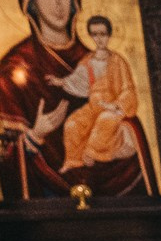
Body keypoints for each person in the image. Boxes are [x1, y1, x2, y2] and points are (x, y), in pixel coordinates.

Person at [0, 0, 154, 199]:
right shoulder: (15, 67)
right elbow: (4, 154)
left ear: (75, 1)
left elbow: (128, 109)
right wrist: (36, 134)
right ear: (30, 2)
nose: (57, 3)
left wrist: (126, 134)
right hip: (48, 195)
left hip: (115, 189)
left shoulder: (101, 59)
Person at [48, 16, 142, 172]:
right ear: (91, 36)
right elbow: (77, 80)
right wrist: (61, 82)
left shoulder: (118, 61)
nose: (99, 39)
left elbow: (128, 89)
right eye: (95, 34)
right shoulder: (88, 60)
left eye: (103, 34)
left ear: (109, 35)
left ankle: (91, 153)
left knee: (105, 120)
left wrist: (115, 105)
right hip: (94, 106)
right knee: (73, 123)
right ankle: (73, 160)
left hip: (113, 107)